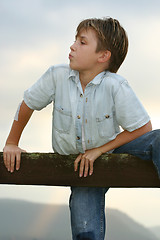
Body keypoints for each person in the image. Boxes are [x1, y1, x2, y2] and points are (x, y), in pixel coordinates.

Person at [3, 17, 160, 240]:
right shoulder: (57, 75)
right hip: (82, 168)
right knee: (86, 233)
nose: (72, 46)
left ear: (103, 56)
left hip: (112, 152)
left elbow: (144, 128)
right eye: (75, 40)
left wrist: (100, 150)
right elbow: (27, 104)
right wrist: (11, 142)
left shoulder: (116, 85)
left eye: (82, 42)